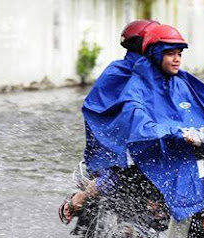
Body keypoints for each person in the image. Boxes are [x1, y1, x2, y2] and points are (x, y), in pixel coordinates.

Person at [80, 24, 204, 221]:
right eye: (169, 53)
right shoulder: (129, 79)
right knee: (115, 178)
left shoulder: (177, 80)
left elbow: (194, 110)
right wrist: (159, 130)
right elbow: (128, 115)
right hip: (133, 144)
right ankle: (79, 200)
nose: (176, 59)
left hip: (168, 143)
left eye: (179, 53)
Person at [59, 20, 160, 224]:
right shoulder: (118, 72)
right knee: (112, 180)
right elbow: (100, 111)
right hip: (114, 148)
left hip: (149, 144)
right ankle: (79, 199)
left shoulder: (161, 75)